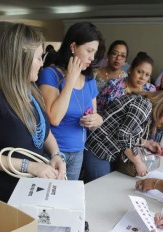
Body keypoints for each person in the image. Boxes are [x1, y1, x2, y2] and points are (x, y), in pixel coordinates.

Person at [0, 24, 67, 202]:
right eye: (38, 58)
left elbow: (44, 130)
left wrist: (56, 154)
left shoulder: (29, 87)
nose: (42, 63)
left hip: (32, 189)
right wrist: (30, 167)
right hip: (2, 194)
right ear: (21, 58)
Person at [38, 22, 105, 180]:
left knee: (68, 199)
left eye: (94, 53)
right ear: (73, 47)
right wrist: (70, 79)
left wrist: (98, 120)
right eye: (89, 51)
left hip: (78, 151)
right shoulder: (50, 74)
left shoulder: (89, 80)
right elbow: (54, 118)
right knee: (50, 199)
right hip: (53, 151)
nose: (92, 57)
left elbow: (92, 116)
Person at [83, 90, 163, 182]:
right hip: (98, 150)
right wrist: (138, 162)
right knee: (101, 188)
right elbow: (123, 136)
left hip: (105, 152)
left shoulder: (145, 107)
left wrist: (147, 143)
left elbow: (126, 134)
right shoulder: (144, 106)